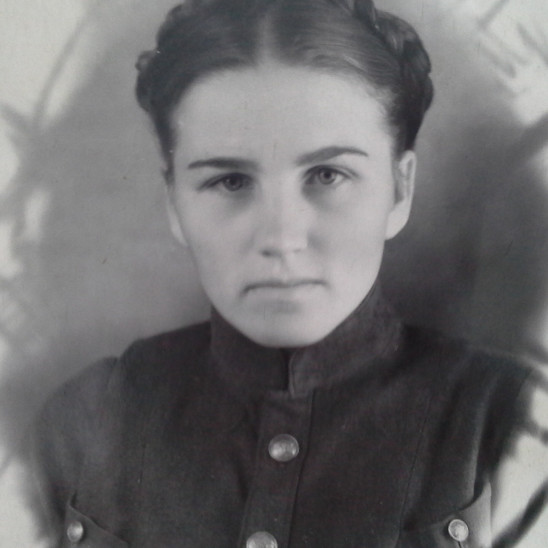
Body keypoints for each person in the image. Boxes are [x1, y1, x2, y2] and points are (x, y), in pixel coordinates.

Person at [31, 0, 547, 546]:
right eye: (230, 181)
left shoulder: (507, 424)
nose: (280, 238)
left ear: (399, 190)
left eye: (327, 175)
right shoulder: (85, 421)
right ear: (174, 203)